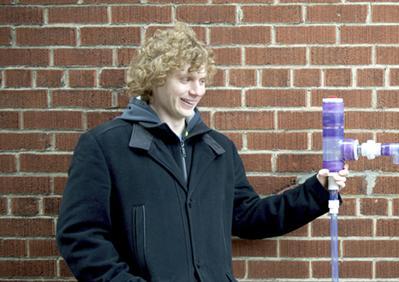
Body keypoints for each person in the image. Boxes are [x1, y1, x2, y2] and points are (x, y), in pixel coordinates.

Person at [56, 23, 348, 281]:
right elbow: (80, 236)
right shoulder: (105, 146)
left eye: (203, 80)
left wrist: (316, 191)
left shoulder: (218, 149)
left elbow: (248, 216)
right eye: (185, 79)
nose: (196, 91)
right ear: (156, 78)